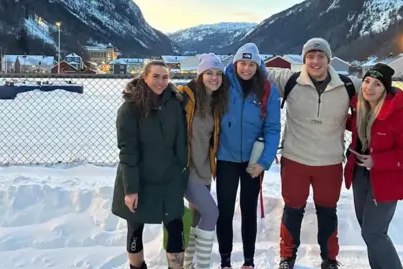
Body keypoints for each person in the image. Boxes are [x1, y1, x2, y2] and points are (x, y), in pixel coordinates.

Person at [266, 38, 403, 269]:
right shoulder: (289, 80)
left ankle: (329, 260)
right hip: (295, 159)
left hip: (330, 162)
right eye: (310, 56)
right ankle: (287, 257)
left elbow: (385, 89)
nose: (315, 61)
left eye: (320, 56)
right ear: (304, 59)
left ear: (329, 59)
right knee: (292, 210)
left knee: (329, 213)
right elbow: (253, 71)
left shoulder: (348, 84)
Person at [111, 60, 188, 269]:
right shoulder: (130, 108)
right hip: (139, 178)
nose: (161, 82)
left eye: (165, 77)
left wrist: (182, 171)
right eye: (155, 76)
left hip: (169, 177)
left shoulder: (175, 104)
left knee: (175, 226)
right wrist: (131, 189)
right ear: (144, 77)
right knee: (135, 227)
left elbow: (181, 142)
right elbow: (128, 151)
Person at [344, 63, 403, 269]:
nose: (369, 87)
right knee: (368, 231)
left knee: (374, 232)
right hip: (361, 175)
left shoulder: (399, 116)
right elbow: (349, 125)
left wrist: (377, 161)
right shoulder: (362, 110)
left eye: (377, 84)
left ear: (385, 89)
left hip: (388, 180)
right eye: (367, 81)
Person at [216, 43, 281, 269]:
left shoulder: (267, 90)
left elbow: (272, 128)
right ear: (235, 64)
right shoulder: (222, 85)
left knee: (248, 210)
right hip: (226, 158)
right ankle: (225, 260)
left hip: (253, 161)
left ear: (258, 65)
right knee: (224, 211)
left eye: (251, 64)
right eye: (242, 63)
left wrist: (264, 162)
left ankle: (248, 261)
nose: (246, 68)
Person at [176, 53, 229, 269]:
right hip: (187, 169)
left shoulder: (217, 102)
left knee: (197, 217)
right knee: (211, 213)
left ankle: (188, 264)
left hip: (205, 169)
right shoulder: (185, 98)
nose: (214, 77)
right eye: (209, 73)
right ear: (200, 75)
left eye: (218, 74)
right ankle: (203, 266)